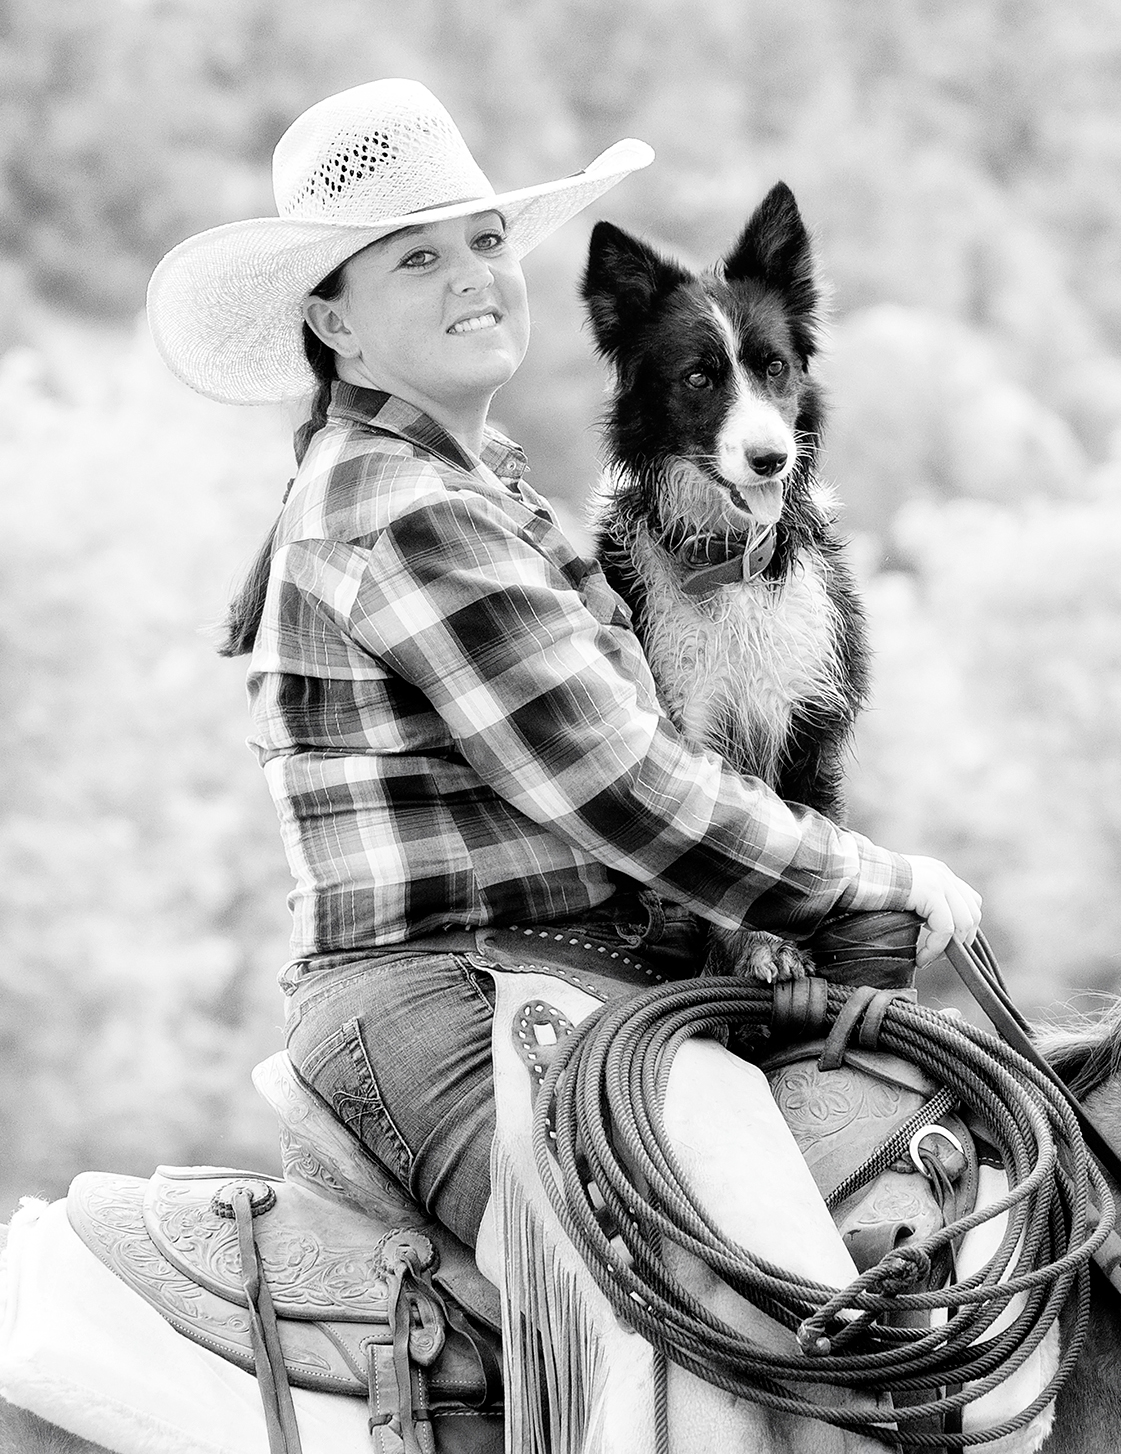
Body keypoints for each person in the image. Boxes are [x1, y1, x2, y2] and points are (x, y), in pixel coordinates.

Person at [147, 78, 981, 1249]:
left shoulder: (483, 489)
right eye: (416, 262)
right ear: (333, 323)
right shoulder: (400, 509)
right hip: (452, 1000)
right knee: (728, 1274)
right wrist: (862, 880)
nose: (475, 277)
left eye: (483, 242)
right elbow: (613, 778)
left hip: (553, 984)